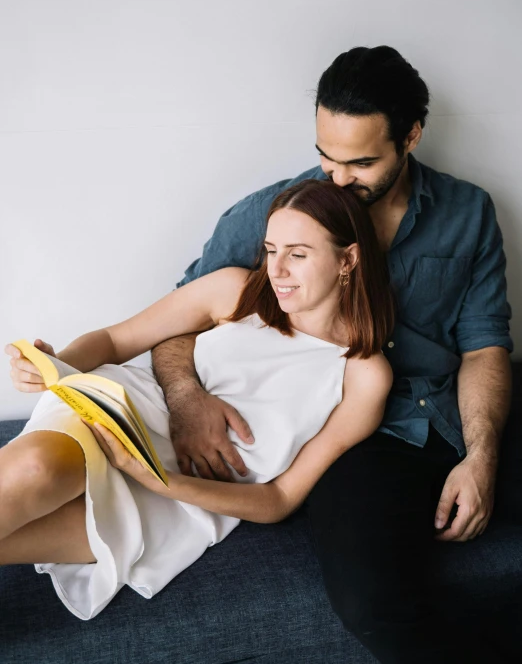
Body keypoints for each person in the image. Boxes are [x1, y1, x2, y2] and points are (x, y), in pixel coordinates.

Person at [147, 46, 515, 663]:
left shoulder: (468, 212)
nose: (338, 179)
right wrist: (186, 397)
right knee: (372, 604)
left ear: (412, 137)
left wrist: (482, 457)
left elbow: (484, 345)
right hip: (356, 435)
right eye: (326, 156)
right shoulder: (277, 213)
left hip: (456, 407)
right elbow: (175, 318)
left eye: (363, 162)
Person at [3, 179, 393, 621]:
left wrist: (155, 480)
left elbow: (280, 497)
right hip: (126, 412)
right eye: (271, 249)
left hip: (175, 501)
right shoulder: (234, 291)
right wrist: (55, 367)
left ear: (349, 259)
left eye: (297, 254)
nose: (277, 269)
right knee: (39, 469)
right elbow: (115, 340)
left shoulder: (364, 375)